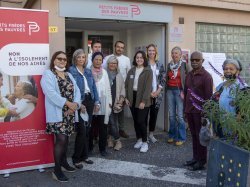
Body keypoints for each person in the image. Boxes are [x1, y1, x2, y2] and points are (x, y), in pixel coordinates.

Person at [40, 51, 81, 182]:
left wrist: (75, 105)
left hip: (69, 113)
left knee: (66, 139)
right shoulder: (48, 74)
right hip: (57, 114)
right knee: (61, 140)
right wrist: (68, 104)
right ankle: (57, 170)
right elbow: (50, 93)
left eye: (64, 59)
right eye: (59, 59)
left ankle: (63, 162)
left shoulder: (68, 74)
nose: (62, 61)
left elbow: (77, 91)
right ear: (54, 60)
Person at [69, 49, 100, 169]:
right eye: (79, 57)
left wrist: (97, 101)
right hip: (80, 102)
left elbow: (93, 87)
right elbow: (72, 90)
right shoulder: (71, 71)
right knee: (81, 131)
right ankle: (76, 158)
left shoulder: (88, 71)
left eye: (83, 57)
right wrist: (78, 103)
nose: (81, 59)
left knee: (87, 130)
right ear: (75, 58)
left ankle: (85, 155)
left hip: (90, 100)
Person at [183, 51, 213, 171]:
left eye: (197, 60)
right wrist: (185, 110)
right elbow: (186, 93)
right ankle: (195, 158)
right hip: (189, 111)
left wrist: (205, 115)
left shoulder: (207, 77)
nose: (194, 62)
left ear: (202, 61)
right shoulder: (189, 75)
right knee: (194, 136)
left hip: (200, 113)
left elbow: (208, 98)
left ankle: (202, 161)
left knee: (201, 137)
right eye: (192, 60)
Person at [125, 51, 153, 153]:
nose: (139, 59)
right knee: (136, 121)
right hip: (132, 98)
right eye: (137, 57)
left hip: (143, 98)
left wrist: (143, 101)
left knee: (141, 121)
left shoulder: (148, 71)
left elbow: (148, 88)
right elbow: (127, 85)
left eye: (141, 57)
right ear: (135, 59)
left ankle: (145, 142)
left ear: (144, 59)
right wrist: (126, 98)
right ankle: (139, 139)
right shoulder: (131, 71)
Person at [213, 59, 247, 138]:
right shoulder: (221, 86)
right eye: (225, 69)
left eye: (231, 69)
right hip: (220, 128)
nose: (228, 71)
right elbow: (214, 105)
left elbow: (243, 113)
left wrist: (237, 130)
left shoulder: (243, 88)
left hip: (234, 130)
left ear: (237, 71)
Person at [104, 41, 131, 138]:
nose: (120, 49)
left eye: (122, 47)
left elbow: (128, 75)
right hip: (111, 88)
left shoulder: (126, 59)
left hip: (121, 89)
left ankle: (121, 130)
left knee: (120, 111)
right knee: (111, 112)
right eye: (118, 47)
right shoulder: (108, 58)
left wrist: (126, 92)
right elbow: (104, 71)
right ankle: (111, 132)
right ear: (115, 47)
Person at [89, 51, 112, 156]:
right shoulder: (88, 72)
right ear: (92, 60)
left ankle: (102, 149)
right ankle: (89, 148)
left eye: (100, 60)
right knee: (90, 127)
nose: (98, 61)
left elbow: (108, 89)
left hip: (103, 103)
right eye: (96, 59)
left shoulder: (105, 72)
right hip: (91, 102)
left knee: (103, 127)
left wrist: (110, 102)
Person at [166, 46, 189, 146]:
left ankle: (182, 137)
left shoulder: (184, 65)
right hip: (170, 91)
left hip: (180, 92)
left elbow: (189, 78)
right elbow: (166, 77)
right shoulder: (169, 65)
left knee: (179, 116)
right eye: (173, 53)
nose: (174, 55)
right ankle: (172, 136)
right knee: (171, 116)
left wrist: (186, 91)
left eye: (176, 53)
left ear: (180, 55)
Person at [146, 44, 166, 143]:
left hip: (157, 95)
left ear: (155, 52)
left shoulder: (159, 64)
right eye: (149, 50)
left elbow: (163, 77)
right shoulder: (144, 64)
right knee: (144, 116)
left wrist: (158, 91)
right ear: (147, 52)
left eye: (153, 50)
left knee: (154, 115)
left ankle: (151, 134)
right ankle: (144, 135)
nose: (151, 52)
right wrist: (149, 93)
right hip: (146, 95)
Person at [106, 55, 125, 151]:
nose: (113, 65)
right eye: (111, 63)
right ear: (108, 64)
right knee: (110, 122)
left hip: (116, 103)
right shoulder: (104, 74)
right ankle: (112, 139)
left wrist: (121, 101)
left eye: (115, 63)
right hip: (106, 103)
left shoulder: (119, 75)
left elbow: (122, 89)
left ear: (117, 65)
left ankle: (116, 140)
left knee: (113, 122)